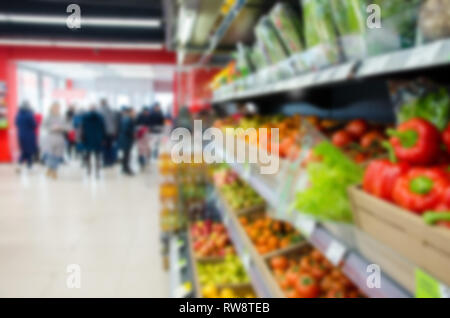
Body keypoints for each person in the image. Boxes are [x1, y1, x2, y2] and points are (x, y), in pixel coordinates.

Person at [43, 102, 67, 179]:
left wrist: (62, 128)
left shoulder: (62, 117)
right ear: (52, 108)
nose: (57, 109)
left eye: (58, 107)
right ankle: (50, 168)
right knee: (50, 154)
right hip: (51, 136)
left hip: (60, 137)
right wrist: (51, 128)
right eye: (55, 107)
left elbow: (68, 126)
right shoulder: (48, 117)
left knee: (57, 155)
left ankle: (54, 170)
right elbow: (44, 126)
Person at [81, 104, 106, 178]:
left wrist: (83, 137)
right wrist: (103, 138)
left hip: (88, 138)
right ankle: (97, 172)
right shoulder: (100, 117)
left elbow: (83, 128)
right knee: (97, 156)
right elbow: (103, 128)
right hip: (97, 138)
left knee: (88, 155)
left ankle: (89, 170)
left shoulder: (85, 117)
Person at [15, 101, 37, 171]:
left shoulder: (18, 115)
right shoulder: (29, 115)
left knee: (25, 150)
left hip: (21, 134)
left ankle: (22, 164)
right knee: (29, 151)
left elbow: (16, 124)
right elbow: (34, 125)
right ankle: (28, 166)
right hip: (29, 135)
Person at [98, 99, 118, 167]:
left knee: (104, 147)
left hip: (104, 132)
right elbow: (114, 121)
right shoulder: (111, 110)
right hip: (111, 132)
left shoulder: (100, 111)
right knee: (110, 146)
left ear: (101, 103)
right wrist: (114, 131)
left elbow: (100, 123)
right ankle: (111, 161)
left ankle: (105, 162)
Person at [118, 107, 135, 176]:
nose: (134, 113)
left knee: (125, 154)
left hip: (124, 139)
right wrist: (133, 134)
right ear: (130, 112)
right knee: (127, 154)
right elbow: (126, 130)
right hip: (127, 139)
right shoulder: (128, 120)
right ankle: (127, 169)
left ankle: (124, 168)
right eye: (133, 112)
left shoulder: (125, 119)